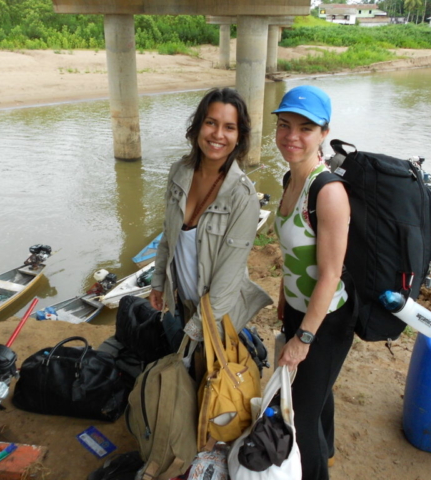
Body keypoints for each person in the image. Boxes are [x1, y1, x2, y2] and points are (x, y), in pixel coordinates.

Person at [273, 85, 356, 480]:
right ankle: (332, 449)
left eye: (305, 128)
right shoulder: (291, 178)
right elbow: (295, 255)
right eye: (284, 125)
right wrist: (284, 296)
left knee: (300, 418)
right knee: (316, 395)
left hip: (326, 321)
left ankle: (318, 468)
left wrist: (301, 340)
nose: (292, 135)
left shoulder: (328, 192)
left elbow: (330, 274)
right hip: (298, 308)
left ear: (324, 133)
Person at [149, 87, 272, 343]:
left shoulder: (243, 197)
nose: (217, 134)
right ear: (197, 127)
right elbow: (168, 236)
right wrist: (158, 282)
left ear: (239, 136)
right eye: (211, 123)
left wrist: (198, 330)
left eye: (229, 127)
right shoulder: (179, 173)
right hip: (182, 301)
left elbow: (230, 274)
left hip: (218, 315)